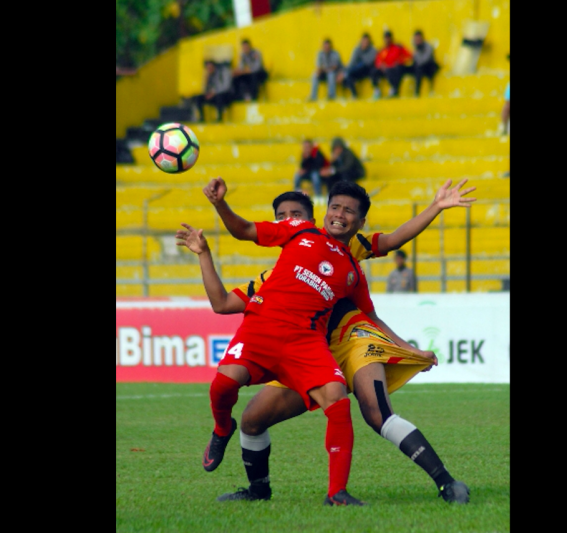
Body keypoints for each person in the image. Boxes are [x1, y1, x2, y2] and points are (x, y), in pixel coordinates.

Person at [174, 179, 477, 505]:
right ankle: (258, 489)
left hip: (348, 343)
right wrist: (206, 246)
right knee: (251, 418)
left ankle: (443, 482)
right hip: (302, 346)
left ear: (309, 218)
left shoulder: (349, 250)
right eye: (280, 215)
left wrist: (409, 348)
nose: (286, 219)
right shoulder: (272, 276)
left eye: (294, 214)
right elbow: (221, 302)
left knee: (376, 413)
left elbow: (390, 247)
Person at [198, 178, 376, 506]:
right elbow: (244, 230)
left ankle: (337, 493)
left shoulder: (354, 271)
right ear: (324, 212)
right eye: (335, 207)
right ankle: (222, 429)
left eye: (349, 211)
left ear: (360, 222)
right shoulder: (300, 231)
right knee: (222, 386)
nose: (339, 214)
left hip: (305, 343)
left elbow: (370, 318)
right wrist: (220, 204)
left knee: (338, 401)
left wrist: (408, 348)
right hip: (262, 329)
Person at [371, 31, 412, 99]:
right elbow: (378, 61)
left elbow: (409, 55)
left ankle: (394, 89)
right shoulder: (382, 50)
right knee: (373, 71)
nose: (387, 40)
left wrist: (399, 61)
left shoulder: (398, 47)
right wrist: (381, 65)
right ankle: (376, 90)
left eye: (388, 38)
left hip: (395, 69)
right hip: (386, 69)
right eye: (385, 38)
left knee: (393, 70)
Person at [341, 33, 377, 99]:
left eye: (366, 42)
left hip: (368, 70)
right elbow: (352, 63)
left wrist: (362, 55)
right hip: (359, 70)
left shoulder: (373, 49)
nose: (364, 43)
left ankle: (376, 90)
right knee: (348, 75)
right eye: (363, 42)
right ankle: (354, 94)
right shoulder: (357, 49)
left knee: (363, 66)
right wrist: (344, 72)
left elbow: (368, 62)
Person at [405, 30, 440, 96]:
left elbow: (423, 60)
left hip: (428, 68)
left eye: (419, 39)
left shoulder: (428, 47)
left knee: (419, 69)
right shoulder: (415, 47)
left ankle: (417, 92)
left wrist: (415, 54)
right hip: (419, 67)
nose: (417, 41)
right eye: (416, 39)